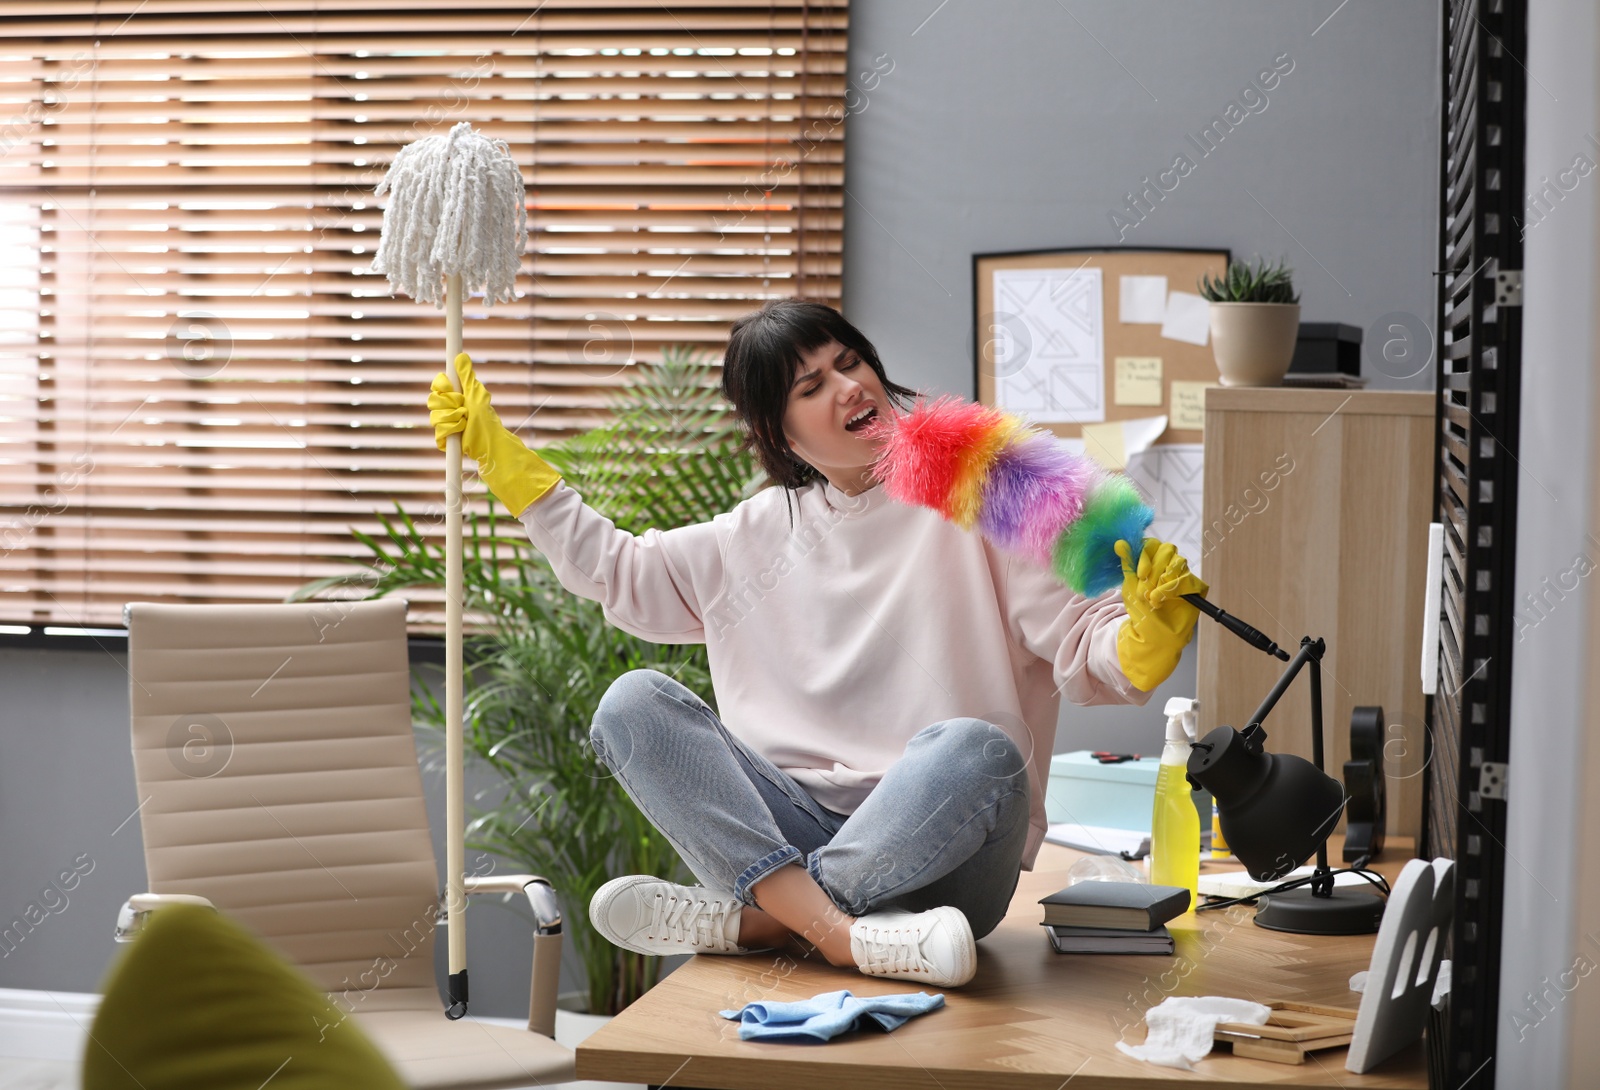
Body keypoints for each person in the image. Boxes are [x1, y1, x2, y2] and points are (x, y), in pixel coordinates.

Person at [427, 298, 1206, 989]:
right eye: (812, 387)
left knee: (981, 748)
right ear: (779, 432)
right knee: (632, 702)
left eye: (850, 361)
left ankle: (769, 924)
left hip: (951, 871)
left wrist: (1143, 638)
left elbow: (1084, 645)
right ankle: (839, 935)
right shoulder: (753, 535)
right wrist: (511, 467)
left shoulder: (980, 496)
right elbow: (616, 572)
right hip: (795, 834)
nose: (850, 386)